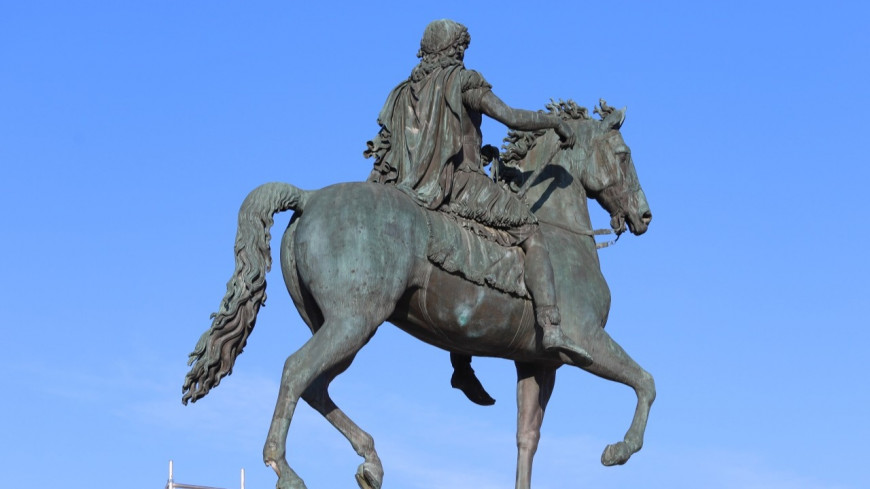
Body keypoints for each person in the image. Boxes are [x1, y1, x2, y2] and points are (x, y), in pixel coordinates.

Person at [365, 19, 592, 405]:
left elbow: (387, 148)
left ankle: (462, 366)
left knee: (464, 256)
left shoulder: (402, 92)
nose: (462, 53)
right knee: (530, 230)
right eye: (461, 47)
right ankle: (551, 324)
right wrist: (555, 122)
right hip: (460, 183)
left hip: (412, 187)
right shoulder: (462, 81)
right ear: (453, 48)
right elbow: (511, 117)